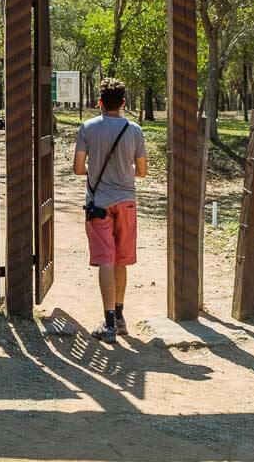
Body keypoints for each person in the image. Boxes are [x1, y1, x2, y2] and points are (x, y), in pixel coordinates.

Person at [73, 77, 148, 343]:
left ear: (100, 102)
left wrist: (96, 170)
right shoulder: (134, 130)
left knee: (105, 258)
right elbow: (142, 171)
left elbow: (78, 168)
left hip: (99, 204)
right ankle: (120, 317)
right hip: (127, 201)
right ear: (123, 103)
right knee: (121, 259)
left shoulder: (87, 128)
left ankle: (107, 325)